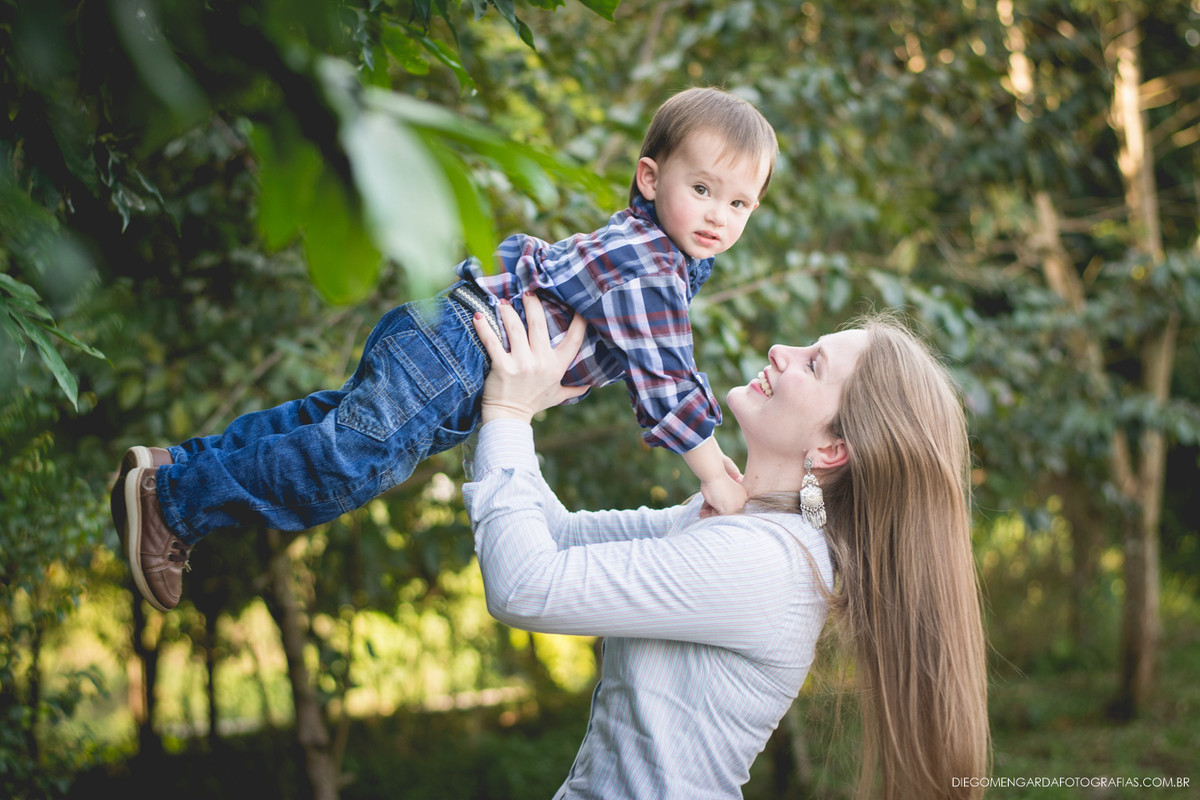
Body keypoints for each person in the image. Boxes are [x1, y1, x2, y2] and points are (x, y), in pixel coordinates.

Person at [111, 86, 778, 612]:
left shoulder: (648, 247)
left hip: (446, 336)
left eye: (741, 203)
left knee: (331, 425)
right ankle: (172, 501)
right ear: (650, 177)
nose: (720, 216)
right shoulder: (651, 267)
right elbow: (666, 380)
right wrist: (719, 474)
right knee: (346, 463)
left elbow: (651, 362)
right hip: (457, 357)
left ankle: (180, 463)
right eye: (703, 190)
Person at [464, 294, 990, 800]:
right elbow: (558, 537)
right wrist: (498, 400)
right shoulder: (740, 518)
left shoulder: (766, 563)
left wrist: (508, 413)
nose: (780, 352)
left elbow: (526, 584)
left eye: (812, 365)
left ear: (831, 449)